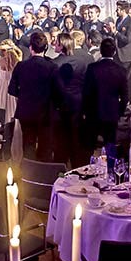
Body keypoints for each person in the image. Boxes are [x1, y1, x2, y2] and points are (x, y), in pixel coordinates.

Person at [8, 32, 57, 161]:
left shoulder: (21, 66)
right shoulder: (52, 67)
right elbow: (57, 91)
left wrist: (24, 96)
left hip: (26, 112)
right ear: (46, 48)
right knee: (45, 146)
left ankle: (28, 171)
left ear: (30, 48)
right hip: (45, 112)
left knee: (28, 145)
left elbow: (12, 90)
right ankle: (43, 171)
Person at [53, 33, 93, 166]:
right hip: (78, 103)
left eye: (56, 42)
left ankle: (61, 167)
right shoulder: (83, 61)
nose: (54, 44)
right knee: (76, 137)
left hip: (60, 105)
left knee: (61, 139)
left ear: (61, 45)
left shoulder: (55, 63)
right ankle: (77, 166)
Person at [83, 38, 129, 150]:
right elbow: (124, 96)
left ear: (100, 50)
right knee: (110, 146)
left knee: (90, 146)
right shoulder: (121, 70)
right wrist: (119, 112)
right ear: (114, 52)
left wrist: (85, 111)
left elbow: (86, 92)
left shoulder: (92, 68)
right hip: (111, 113)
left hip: (93, 113)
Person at [0, 39, 22, 124]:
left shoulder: (1, 60)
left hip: (3, 88)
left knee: (2, 108)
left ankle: (3, 127)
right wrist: (11, 47)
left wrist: (1, 47)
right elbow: (20, 52)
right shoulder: (18, 60)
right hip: (11, 88)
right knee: (11, 109)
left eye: (3, 50)